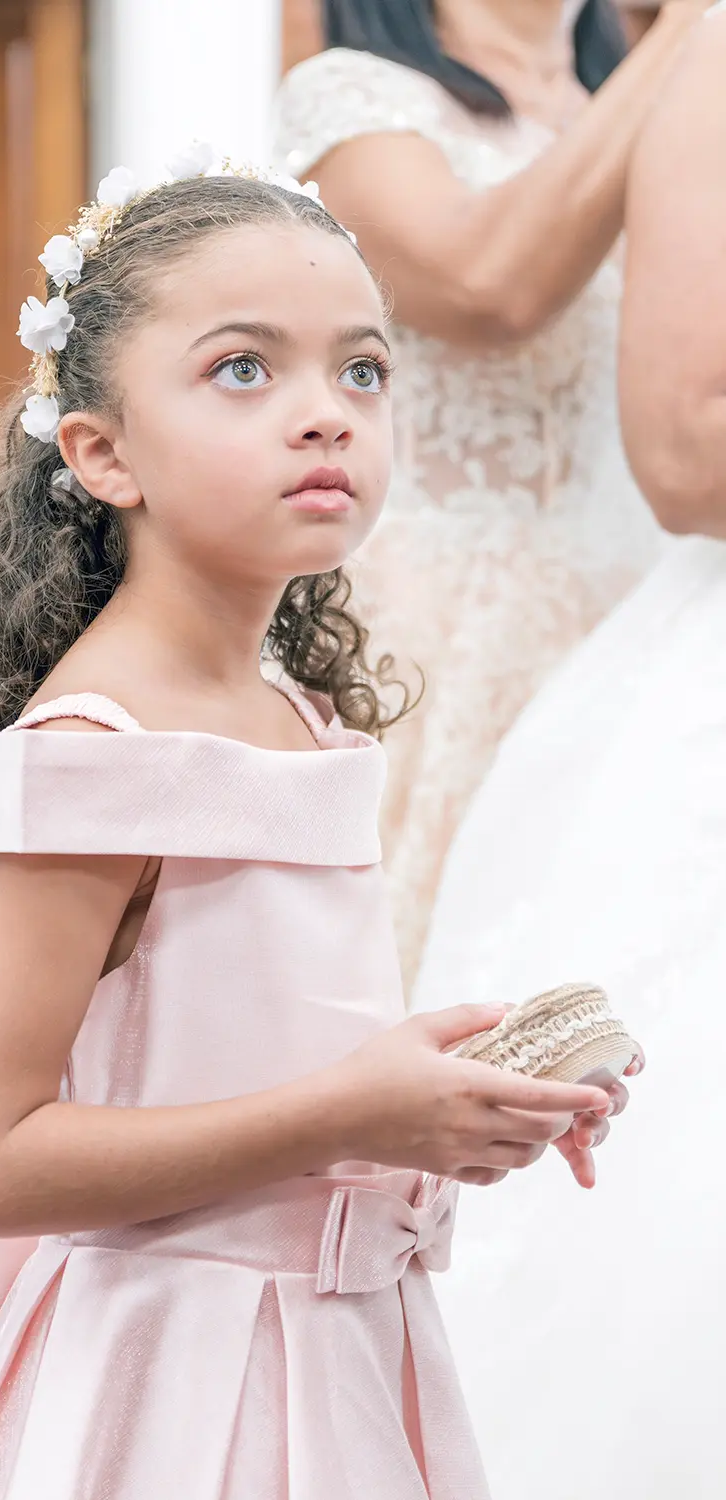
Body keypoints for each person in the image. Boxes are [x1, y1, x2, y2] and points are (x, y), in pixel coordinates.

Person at [0, 161, 618, 1500]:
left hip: (344, 1358)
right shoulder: (100, 749)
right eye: (245, 372)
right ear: (103, 452)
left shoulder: (299, 715)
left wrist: (450, 1103)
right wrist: (351, 1108)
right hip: (181, 1386)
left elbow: (256, 1053)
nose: (326, 416)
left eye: (362, 371)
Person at [409, 9, 726, 1496]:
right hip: (484, 638)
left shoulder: (620, 75)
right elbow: (681, 440)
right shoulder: (360, 102)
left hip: (598, 607)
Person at [273, 0, 709, 991]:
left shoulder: (639, 93)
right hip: (440, 651)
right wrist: (691, 28)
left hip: (634, 625)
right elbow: (486, 286)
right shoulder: (354, 98)